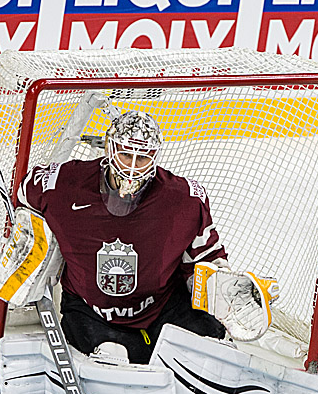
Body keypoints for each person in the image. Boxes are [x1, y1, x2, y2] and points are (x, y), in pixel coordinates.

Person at [16, 110, 229, 364]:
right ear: (109, 147)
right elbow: (22, 195)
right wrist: (29, 244)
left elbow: (206, 258)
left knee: (213, 343)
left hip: (162, 309)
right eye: (126, 154)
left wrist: (223, 289)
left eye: (143, 158)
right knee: (111, 356)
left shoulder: (184, 199)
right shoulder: (63, 184)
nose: (132, 167)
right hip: (91, 313)